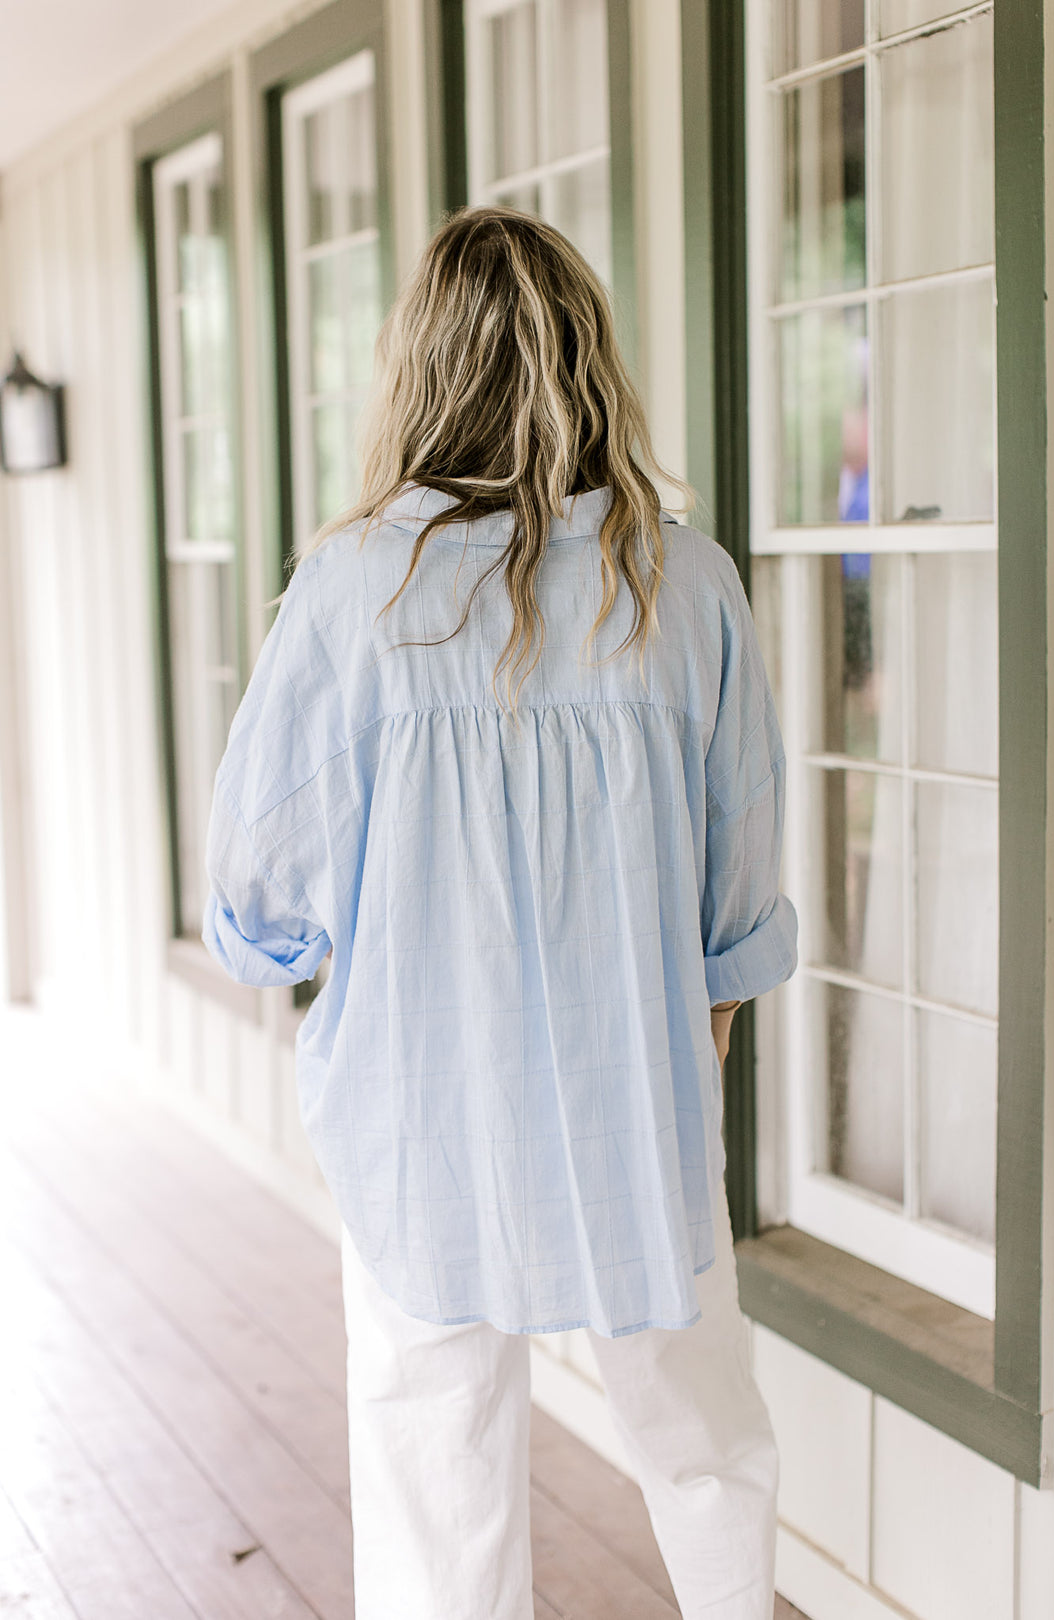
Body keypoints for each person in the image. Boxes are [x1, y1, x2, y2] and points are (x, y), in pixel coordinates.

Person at [202, 203, 798, 1620]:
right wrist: (703, 1011)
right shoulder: (688, 587)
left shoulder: (353, 590)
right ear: (590, 359)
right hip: (638, 1093)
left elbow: (257, 886)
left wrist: (330, 946)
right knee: (703, 1438)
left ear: (419, 368)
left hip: (420, 1095)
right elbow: (741, 877)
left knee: (435, 1463)